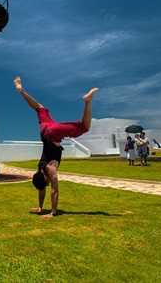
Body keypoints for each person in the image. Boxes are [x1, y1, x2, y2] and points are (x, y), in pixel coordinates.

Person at [14, 76, 98, 218]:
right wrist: (40, 207)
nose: (48, 184)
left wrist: (52, 213)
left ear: (45, 178)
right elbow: (41, 188)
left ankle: (87, 102)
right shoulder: (40, 168)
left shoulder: (50, 169)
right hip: (45, 129)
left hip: (53, 134)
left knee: (85, 126)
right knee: (39, 107)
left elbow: (54, 190)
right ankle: (21, 91)